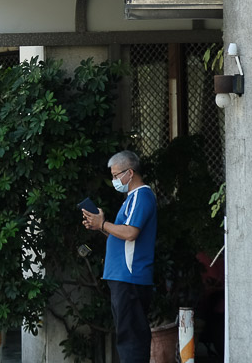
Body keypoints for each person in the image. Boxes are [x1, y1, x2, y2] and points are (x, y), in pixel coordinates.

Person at [82, 150, 157, 363]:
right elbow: (122, 234)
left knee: (131, 339)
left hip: (129, 277)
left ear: (130, 172)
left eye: (116, 176)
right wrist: (100, 226)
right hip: (124, 278)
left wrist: (103, 224)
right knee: (128, 336)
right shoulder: (132, 198)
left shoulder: (141, 195)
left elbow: (131, 232)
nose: (114, 180)